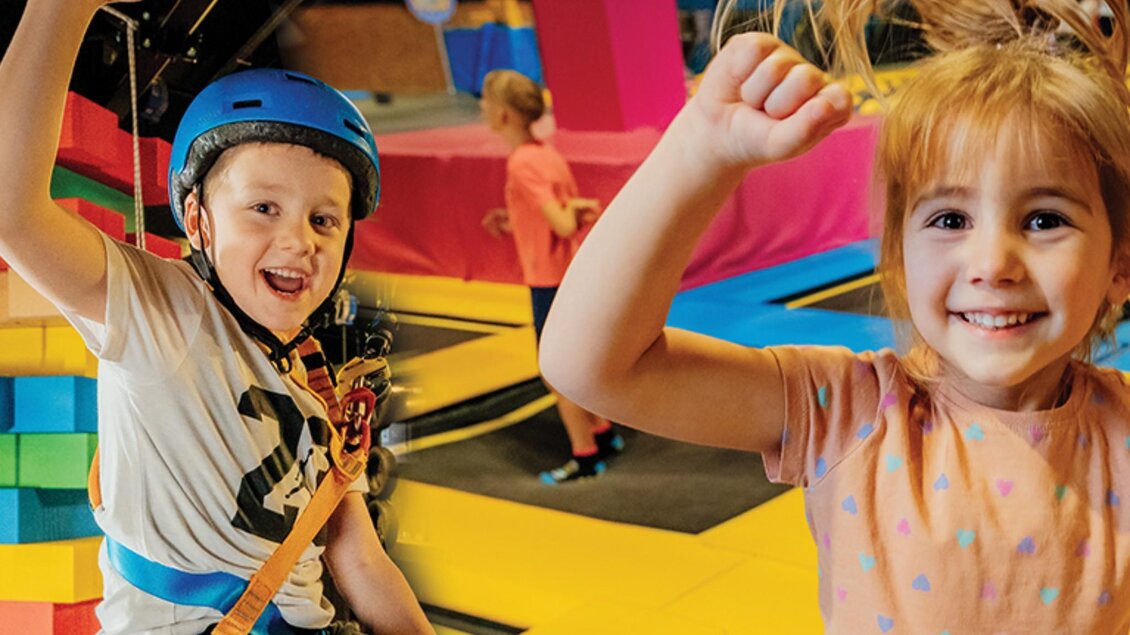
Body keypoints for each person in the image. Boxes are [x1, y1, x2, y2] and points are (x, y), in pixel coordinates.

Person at [541, 0, 1130, 629]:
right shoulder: (849, 416)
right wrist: (699, 150)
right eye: (950, 220)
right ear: (899, 261)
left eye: (1045, 219)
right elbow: (591, 367)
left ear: (1119, 267)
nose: (992, 263)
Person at [0, 1, 433, 633]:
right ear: (199, 220)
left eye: (323, 220)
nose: (299, 240)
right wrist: (60, 11)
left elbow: (360, 561)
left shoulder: (318, 399)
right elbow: (14, 217)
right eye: (263, 207)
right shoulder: (164, 313)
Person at [479, 69, 624, 484]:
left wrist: (567, 214)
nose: (483, 110)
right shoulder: (546, 153)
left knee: (555, 371)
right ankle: (602, 429)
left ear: (503, 114)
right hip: (566, 276)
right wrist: (514, 219)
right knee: (578, 359)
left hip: (549, 282)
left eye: (486, 104)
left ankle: (584, 455)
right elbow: (559, 209)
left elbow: (560, 222)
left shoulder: (523, 163)